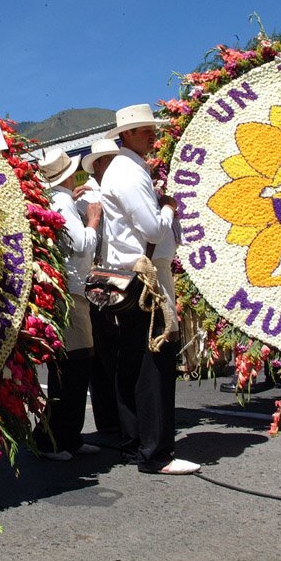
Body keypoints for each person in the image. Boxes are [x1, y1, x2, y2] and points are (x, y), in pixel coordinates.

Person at [99, 103, 199, 475]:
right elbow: (154, 230)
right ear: (126, 135)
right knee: (154, 360)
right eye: (143, 131)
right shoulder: (128, 173)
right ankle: (155, 451)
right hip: (146, 275)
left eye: (150, 129)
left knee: (133, 360)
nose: (151, 135)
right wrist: (169, 207)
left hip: (134, 272)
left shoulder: (124, 169)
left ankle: (135, 442)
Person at [33, 148, 103, 461]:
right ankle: (52, 439)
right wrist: (93, 220)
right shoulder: (62, 203)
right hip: (73, 292)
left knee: (74, 365)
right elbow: (80, 244)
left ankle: (65, 435)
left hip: (68, 290)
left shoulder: (58, 200)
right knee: (74, 365)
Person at [76, 137, 121, 433]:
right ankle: (113, 419)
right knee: (108, 351)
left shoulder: (94, 193)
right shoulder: (91, 196)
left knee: (106, 351)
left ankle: (111, 419)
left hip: (105, 278)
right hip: (102, 279)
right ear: (101, 164)